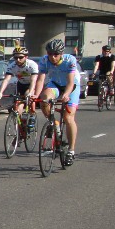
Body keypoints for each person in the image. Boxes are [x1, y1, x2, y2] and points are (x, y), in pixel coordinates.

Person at [34, 38, 81, 166]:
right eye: (50, 54)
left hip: (71, 86)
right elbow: (40, 80)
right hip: (55, 84)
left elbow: (70, 82)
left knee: (68, 117)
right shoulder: (44, 60)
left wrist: (66, 95)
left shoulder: (69, 60)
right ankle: (53, 123)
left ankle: (71, 150)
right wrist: (36, 95)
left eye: (56, 54)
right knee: (44, 98)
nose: (53, 57)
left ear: (61, 53)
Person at [0, 46, 41, 118]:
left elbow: (33, 80)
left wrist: (31, 92)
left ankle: (32, 115)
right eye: (15, 58)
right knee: (18, 108)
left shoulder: (32, 65)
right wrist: (0, 92)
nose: (18, 60)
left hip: (31, 84)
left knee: (28, 96)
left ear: (26, 57)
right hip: (21, 84)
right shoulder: (12, 66)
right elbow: (6, 79)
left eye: (20, 57)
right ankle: (19, 122)